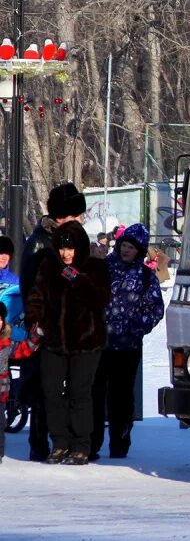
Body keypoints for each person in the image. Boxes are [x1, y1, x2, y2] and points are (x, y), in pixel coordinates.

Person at [25, 220, 111, 465]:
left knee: (79, 393)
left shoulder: (95, 267)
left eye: (70, 248)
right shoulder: (48, 267)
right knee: (51, 391)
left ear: (80, 248)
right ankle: (60, 443)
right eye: (62, 248)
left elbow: (101, 298)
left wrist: (79, 280)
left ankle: (81, 445)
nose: (66, 253)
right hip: (53, 341)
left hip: (86, 342)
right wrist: (36, 322)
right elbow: (36, 297)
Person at [20, 182, 87, 462]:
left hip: (73, 326)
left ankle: (72, 442)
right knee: (42, 386)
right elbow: (29, 286)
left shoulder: (73, 240)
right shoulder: (40, 242)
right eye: (74, 216)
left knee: (72, 386)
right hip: (46, 325)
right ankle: (40, 443)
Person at [92, 224, 164, 460]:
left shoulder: (145, 276)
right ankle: (91, 443)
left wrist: (136, 328)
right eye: (124, 245)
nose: (126, 250)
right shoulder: (103, 269)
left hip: (127, 347)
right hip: (100, 343)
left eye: (131, 247)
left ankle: (119, 443)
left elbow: (155, 308)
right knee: (95, 393)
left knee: (121, 397)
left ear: (139, 250)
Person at [0, 303, 41, 464]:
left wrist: (34, 337)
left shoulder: (6, 344)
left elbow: (23, 350)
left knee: (0, 423)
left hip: (1, 394)